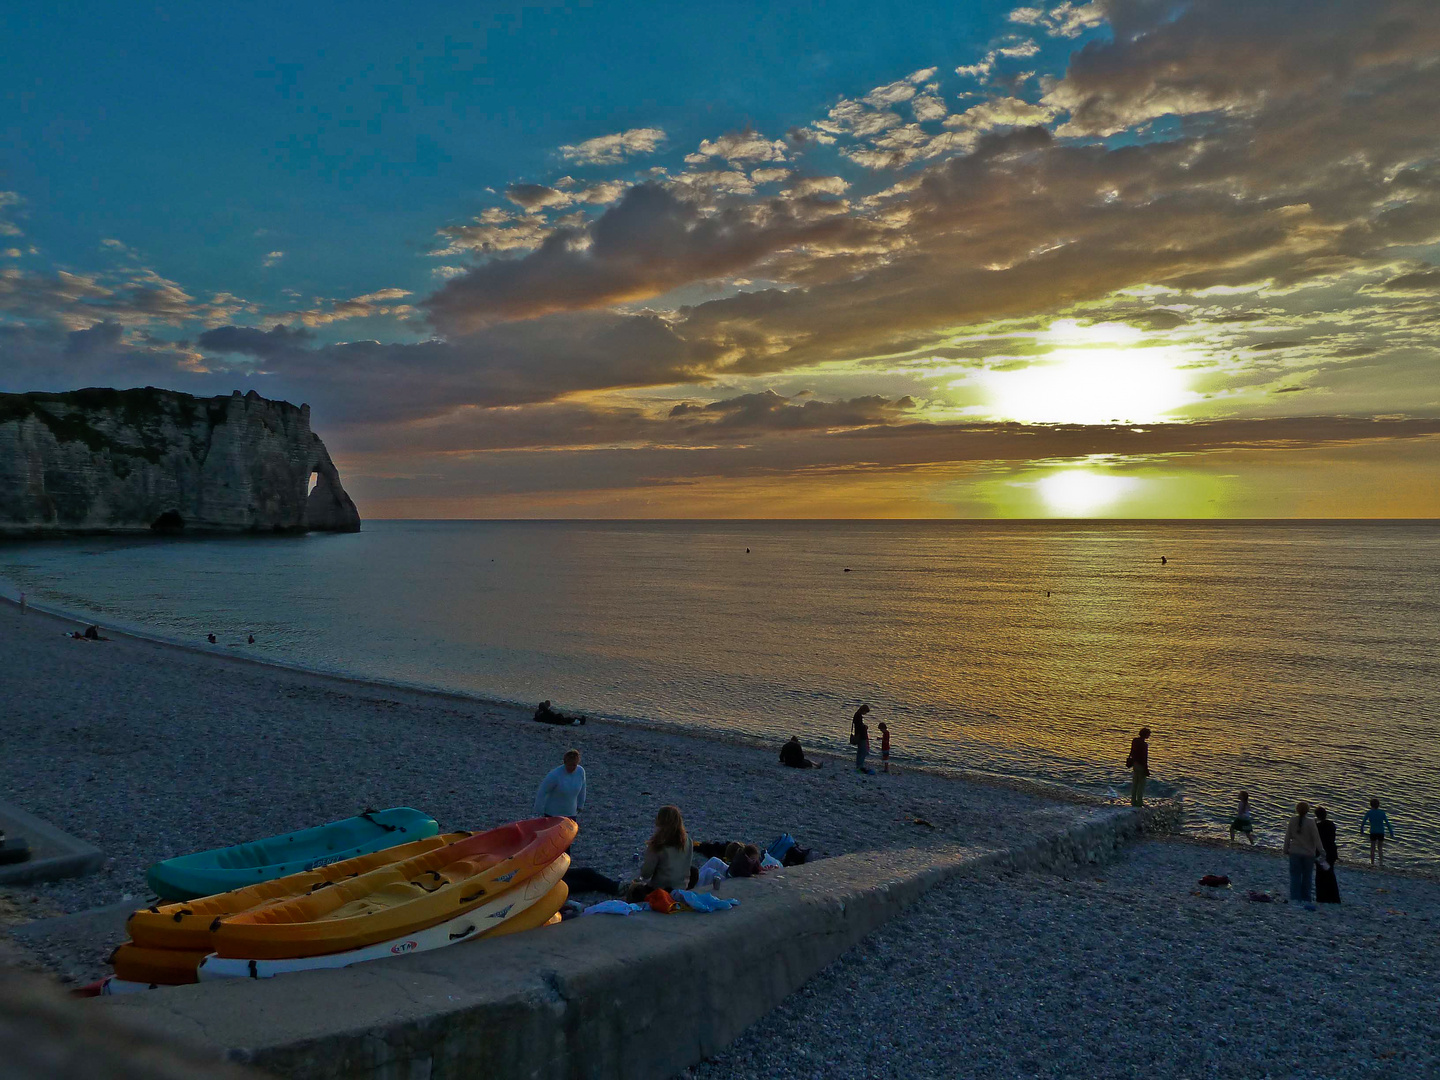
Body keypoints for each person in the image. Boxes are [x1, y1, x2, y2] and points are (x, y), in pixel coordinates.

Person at [636, 805, 694, 894]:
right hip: (681, 887)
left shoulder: (658, 845)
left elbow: (646, 874)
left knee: (635, 890)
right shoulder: (688, 841)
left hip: (660, 890)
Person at [1283, 801, 1324, 903]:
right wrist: (1322, 851)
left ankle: (1295, 897)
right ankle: (1306, 897)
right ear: (1308, 811)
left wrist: (1285, 849)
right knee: (1307, 876)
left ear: (1297, 810)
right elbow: (1316, 838)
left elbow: (1287, 836)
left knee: (1295, 876)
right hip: (1308, 853)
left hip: (1295, 852)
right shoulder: (1311, 822)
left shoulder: (1292, 820)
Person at [534, 749, 586, 820]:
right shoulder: (555, 775)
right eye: (569, 765)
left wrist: (580, 805)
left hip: (571, 814)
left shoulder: (580, 772)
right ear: (565, 762)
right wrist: (539, 810)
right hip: (553, 814)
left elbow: (582, 789)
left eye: (574, 765)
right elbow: (543, 791)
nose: (571, 768)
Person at [1314, 805, 1340, 904]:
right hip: (1331, 851)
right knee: (1330, 873)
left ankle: (1321, 897)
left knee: (1320, 874)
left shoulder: (1318, 826)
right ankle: (1333, 897)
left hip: (1322, 852)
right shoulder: (1331, 825)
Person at [1361, 798, 1396, 866]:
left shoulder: (1369, 812)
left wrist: (1361, 829)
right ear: (1378, 805)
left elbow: (1364, 821)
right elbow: (1387, 823)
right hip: (1381, 832)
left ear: (1371, 805)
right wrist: (1391, 832)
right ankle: (1381, 862)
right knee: (1380, 848)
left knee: (1372, 848)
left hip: (1373, 832)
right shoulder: (1382, 813)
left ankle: (1372, 862)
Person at [1125, 728, 1151, 807]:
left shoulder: (1135, 741)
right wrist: (1146, 769)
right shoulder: (1144, 745)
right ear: (1146, 735)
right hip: (1141, 765)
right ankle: (1139, 801)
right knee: (1141, 784)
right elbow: (1144, 758)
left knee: (1135, 783)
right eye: (1148, 734)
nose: (1149, 735)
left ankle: (1133, 801)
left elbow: (1131, 751)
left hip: (1135, 764)